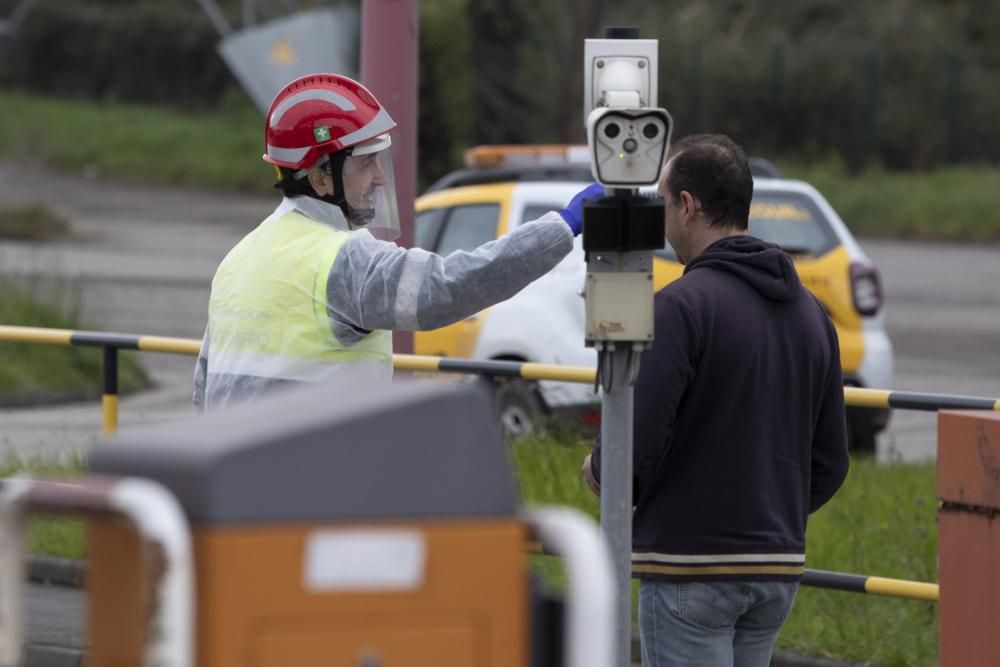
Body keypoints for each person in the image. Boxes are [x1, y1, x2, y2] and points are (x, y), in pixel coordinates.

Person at [582, 134, 849, 666]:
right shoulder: (811, 315)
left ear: (688, 205)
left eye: (663, 201)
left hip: (691, 565)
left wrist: (599, 473)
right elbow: (831, 461)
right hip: (776, 567)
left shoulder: (681, 306)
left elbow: (636, 435)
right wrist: (772, 511)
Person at [193, 73, 602, 410]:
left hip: (236, 490)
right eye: (366, 162)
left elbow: (204, 387)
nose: (380, 178)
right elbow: (446, 287)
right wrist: (561, 227)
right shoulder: (342, 258)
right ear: (320, 178)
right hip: (316, 490)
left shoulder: (239, 257)